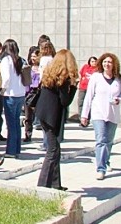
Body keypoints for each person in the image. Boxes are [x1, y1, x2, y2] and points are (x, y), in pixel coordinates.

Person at [35, 49, 78, 191]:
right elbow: (65, 102)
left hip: (43, 114)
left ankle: (55, 184)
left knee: (56, 150)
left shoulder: (50, 74)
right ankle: (42, 185)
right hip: (52, 116)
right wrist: (73, 87)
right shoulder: (64, 80)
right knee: (52, 150)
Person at [81, 53, 121, 180]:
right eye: (105, 62)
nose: (107, 64)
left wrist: (119, 100)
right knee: (101, 140)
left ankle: (106, 161)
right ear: (101, 63)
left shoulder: (118, 79)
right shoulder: (96, 77)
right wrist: (85, 115)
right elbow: (88, 96)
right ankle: (101, 168)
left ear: (114, 64)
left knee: (109, 141)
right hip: (98, 113)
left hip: (112, 113)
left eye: (110, 62)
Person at [0, 39, 26, 158]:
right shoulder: (20, 59)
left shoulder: (6, 60)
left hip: (10, 94)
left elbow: (6, 78)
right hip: (20, 93)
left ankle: (10, 151)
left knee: (10, 124)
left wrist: (2, 90)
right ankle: (17, 148)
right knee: (16, 123)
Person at [23, 46, 40, 142]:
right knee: (28, 116)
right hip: (29, 94)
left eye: (35, 56)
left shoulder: (42, 68)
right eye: (32, 56)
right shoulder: (28, 67)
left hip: (38, 93)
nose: (33, 58)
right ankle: (28, 134)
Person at [77, 56, 98, 125]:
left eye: (95, 61)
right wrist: (79, 82)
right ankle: (81, 119)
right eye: (92, 61)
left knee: (88, 103)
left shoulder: (97, 69)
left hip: (90, 89)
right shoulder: (85, 67)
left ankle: (87, 119)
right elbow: (80, 74)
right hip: (82, 87)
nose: (93, 63)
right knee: (80, 103)